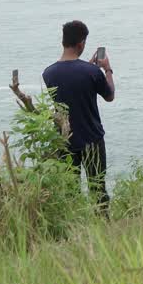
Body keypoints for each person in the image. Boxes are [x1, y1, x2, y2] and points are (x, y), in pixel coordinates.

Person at [42, 20, 116, 212]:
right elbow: (109, 96)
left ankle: (73, 228)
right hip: (92, 139)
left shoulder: (48, 73)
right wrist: (107, 69)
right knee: (98, 188)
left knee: (70, 191)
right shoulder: (91, 72)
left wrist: (88, 67)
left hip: (65, 140)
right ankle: (103, 227)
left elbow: (71, 84)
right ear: (82, 43)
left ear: (63, 42)